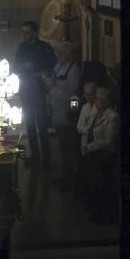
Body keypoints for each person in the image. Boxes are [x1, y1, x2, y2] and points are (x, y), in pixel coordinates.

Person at [14, 20, 56, 169]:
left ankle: (46, 160)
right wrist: (23, 67)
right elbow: (15, 66)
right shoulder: (22, 48)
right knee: (30, 125)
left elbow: (52, 65)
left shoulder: (44, 48)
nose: (24, 35)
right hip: (26, 91)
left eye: (27, 32)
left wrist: (40, 72)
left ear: (34, 33)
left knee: (42, 126)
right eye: (23, 32)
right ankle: (35, 156)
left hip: (39, 91)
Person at [80, 86, 119, 222]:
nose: (99, 102)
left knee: (102, 184)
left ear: (108, 101)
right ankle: (94, 208)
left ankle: (103, 214)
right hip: (92, 153)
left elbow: (107, 141)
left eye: (103, 99)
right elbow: (88, 128)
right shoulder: (95, 111)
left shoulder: (112, 116)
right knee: (92, 182)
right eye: (97, 98)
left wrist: (89, 147)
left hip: (104, 155)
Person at [48, 41, 82, 190]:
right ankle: (65, 175)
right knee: (62, 147)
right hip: (57, 112)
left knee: (69, 148)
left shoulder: (74, 71)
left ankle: (71, 180)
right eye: (56, 53)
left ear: (68, 54)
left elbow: (72, 96)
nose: (57, 55)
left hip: (66, 115)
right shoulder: (58, 66)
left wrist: (51, 87)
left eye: (60, 53)